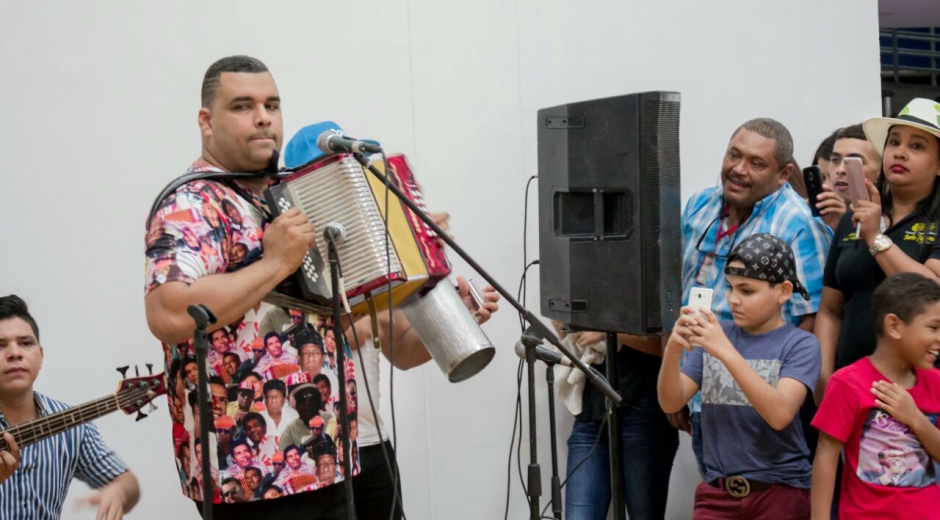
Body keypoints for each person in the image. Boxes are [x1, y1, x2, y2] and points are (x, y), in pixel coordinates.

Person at [144, 55, 354, 518]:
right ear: (206, 121)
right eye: (242, 106)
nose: (263, 117)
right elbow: (168, 314)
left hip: (329, 459)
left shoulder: (289, 195)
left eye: (271, 105)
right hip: (248, 480)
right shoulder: (190, 203)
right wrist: (276, 261)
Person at [678, 118, 832, 476]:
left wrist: (783, 398)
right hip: (704, 396)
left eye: (756, 163)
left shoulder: (799, 224)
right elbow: (680, 290)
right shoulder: (700, 205)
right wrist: (683, 382)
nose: (739, 169)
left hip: (765, 407)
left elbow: (810, 321)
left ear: (784, 173)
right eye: (734, 155)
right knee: (722, 495)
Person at [659, 234, 821, 519]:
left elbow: (780, 413)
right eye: (731, 288)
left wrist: (726, 352)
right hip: (716, 492)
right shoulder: (718, 335)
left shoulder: (800, 344)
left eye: (747, 291)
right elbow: (671, 402)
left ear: (783, 291)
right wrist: (673, 348)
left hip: (780, 492)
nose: (733, 300)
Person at [815, 98, 940, 402]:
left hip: (917, 393)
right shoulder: (854, 216)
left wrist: (876, 238)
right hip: (848, 387)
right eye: (894, 142)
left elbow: (931, 290)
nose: (899, 151)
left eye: (917, 146)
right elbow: (831, 309)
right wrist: (824, 378)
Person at [811, 273, 940, 519]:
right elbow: (826, 456)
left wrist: (915, 418)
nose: (939, 338)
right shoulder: (848, 383)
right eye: (933, 328)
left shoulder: (936, 383)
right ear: (894, 326)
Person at [0, 295, 141, 519]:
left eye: (25, 343)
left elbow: (128, 483)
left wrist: (118, 492)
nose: (15, 353)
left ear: (41, 355)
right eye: (1, 345)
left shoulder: (71, 424)